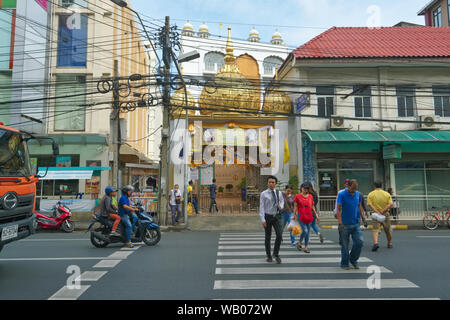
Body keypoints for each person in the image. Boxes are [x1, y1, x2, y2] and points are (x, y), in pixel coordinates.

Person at [336, 179, 367, 270]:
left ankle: (353, 260)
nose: (354, 191)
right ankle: (344, 263)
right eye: (353, 188)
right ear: (348, 186)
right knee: (345, 246)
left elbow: (359, 206)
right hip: (345, 224)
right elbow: (338, 209)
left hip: (356, 223)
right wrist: (340, 222)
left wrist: (363, 218)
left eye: (356, 188)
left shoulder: (358, 194)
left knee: (359, 242)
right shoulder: (341, 194)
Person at [259, 176, 284, 264]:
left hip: (276, 216)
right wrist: (263, 219)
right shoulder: (263, 194)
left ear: (275, 183)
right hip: (267, 216)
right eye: (269, 182)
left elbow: (282, 201)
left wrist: (281, 206)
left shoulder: (279, 193)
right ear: (267, 183)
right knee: (268, 237)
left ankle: (276, 254)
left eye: (273, 182)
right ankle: (269, 255)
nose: (271, 184)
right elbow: (261, 207)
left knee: (279, 235)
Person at [367, 182, 394, 251]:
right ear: (381, 186)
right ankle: (389, 243)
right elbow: (390, 204)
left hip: (375, 214)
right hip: (385, 213)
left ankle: (376, 243)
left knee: (375, 229)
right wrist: (382, 211)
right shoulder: (386, 194)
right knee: (388, 230)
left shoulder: (371, 194)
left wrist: (377, 211)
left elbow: (370, 204)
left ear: (374, 186)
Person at [293, 182, 319, 254]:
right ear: (301, 188)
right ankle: (300, 242)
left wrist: (316, 215)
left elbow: (312, 206)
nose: (305, 190)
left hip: (309, 215)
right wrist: (294, 215)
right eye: (304, 188)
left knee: (307, 233)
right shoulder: (297, 196)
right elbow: (295, 206)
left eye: (307, 189)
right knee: (305, 230)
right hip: (301, 215)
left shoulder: (310, 196)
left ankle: (306, 246)